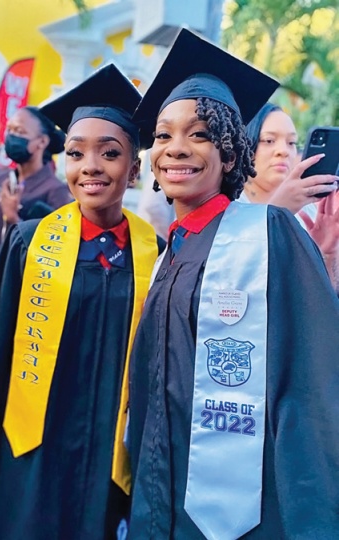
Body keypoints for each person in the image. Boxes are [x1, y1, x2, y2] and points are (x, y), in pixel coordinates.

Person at [127, 29, 339, 539]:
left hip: (248, 511)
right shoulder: (167, 252)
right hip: (160, 495)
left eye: (199, 134)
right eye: (162, 135)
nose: (176, 148)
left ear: (230, 154)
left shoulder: (269, 232)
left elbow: (311, 392)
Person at [0, 64, 164, 540]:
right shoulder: (29, 242)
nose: (90, 166)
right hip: (32, 456)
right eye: (76, 152)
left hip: (108, 460)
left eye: (109, 153)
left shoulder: (156, 255)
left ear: (134, 170)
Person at [242, 102, 339, 288]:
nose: (283, 151)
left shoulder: (311, 213)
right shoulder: (229, 209)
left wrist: (328, 254)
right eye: (269, 140)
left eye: (291, 142)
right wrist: (277, 212)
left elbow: (327, 296)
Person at [0, 105, 71, 265]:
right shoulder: (1, 177)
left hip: (25, 278)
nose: (12, 136)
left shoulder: (56, 190)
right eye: (10, 130)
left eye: (20, 132)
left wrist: (13, 219)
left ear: (42, 141)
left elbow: (57, 251)